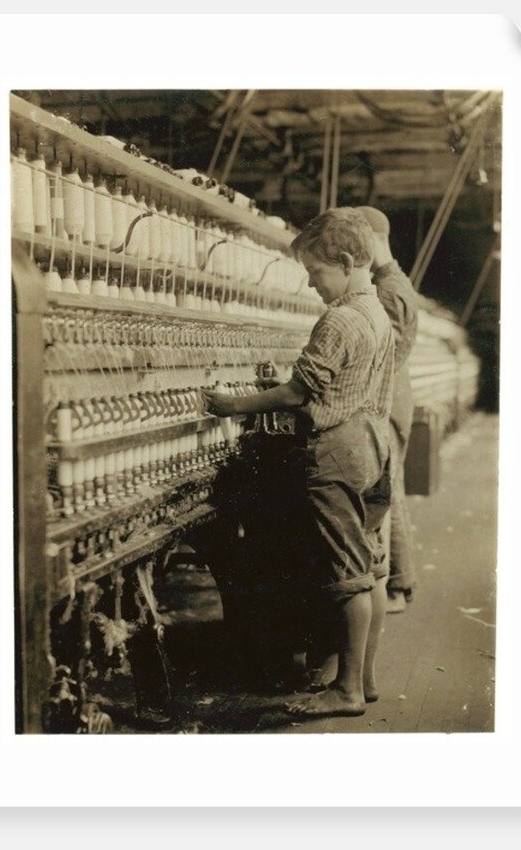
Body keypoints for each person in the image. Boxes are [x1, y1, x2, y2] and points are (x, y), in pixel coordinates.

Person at [203, 209, 394, 717]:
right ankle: (365, 680)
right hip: (374, 442)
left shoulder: (340, 318)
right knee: (370, 566)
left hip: (337, 451)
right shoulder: (378, 312)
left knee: (346, 574)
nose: (313, 286)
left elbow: (295, 393)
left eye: (317, 273)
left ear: (348, 262)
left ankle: (346, 692)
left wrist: (233, 404)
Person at [353, 206, 419, 612]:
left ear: (373, 239)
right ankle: (399, 583)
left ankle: (395, 586)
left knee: (386, 493)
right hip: (393, 400)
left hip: (389, 403)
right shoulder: (390, 282)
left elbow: (386, 351)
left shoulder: (390, 288)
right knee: (393, 492)